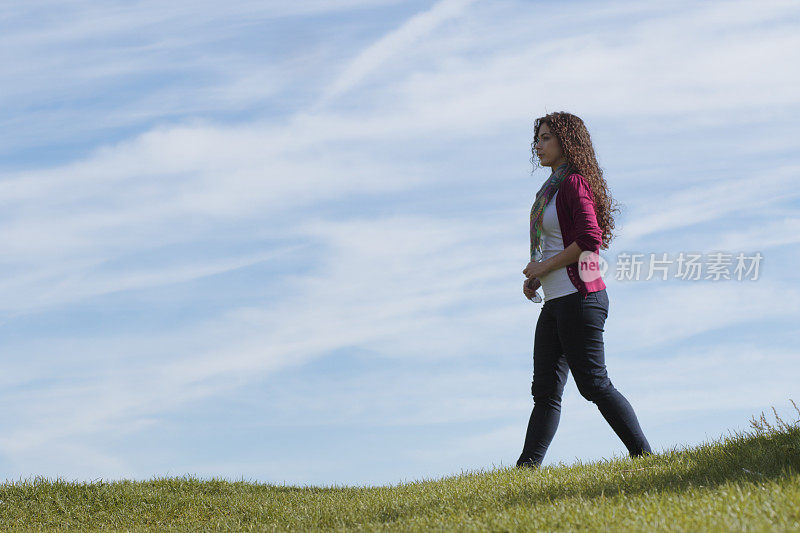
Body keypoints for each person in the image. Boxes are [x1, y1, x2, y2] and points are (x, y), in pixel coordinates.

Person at [516, 111, 653, 468]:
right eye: (538, 138)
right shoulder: (547, 189)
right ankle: (525, 470)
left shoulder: (574, 183)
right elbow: (553, 245)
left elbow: (589, 240)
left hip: (581, 297)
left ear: (566, 142)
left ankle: (645, 457)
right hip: (555, 300)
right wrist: (537, 277)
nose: (539, 144)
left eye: (546, 138)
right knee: (545, 392)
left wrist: (544, 267)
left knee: (593, 384)